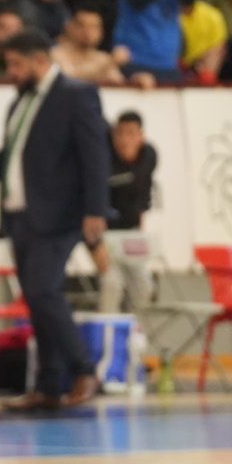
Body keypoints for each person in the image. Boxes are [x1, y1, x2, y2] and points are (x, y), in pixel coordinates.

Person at [0, 29, 110, 412]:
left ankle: (84, 369)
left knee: (45, 291)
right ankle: (48, 385)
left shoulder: (76, 95)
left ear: (39, 61)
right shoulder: (21, 103)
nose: (11, 72)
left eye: (16, 64)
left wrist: (96, 210)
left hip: (60, 215)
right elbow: (14, 151)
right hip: (22, 216)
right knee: (35, 297)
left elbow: (95, 155)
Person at [96, 110, 157, 314]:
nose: (124, 140)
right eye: (120, 133)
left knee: (144, 285)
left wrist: (140, 225)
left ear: (142, 136)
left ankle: (134, 333)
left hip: (131, 233)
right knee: (112, 283)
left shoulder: (149, 156)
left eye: (131, 133)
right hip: (104, 234)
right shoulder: (103, 159)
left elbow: (141, 191)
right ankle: (108, 336)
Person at [53, 6, 127, 86]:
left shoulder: (103, 58)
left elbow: (118, 83)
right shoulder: (57, 54)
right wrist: (108, 63)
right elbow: (69, 77)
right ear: (70, 27)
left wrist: (136, 81)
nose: (88, 31)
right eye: (82, 25)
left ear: (101, 32)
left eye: (94, 27)